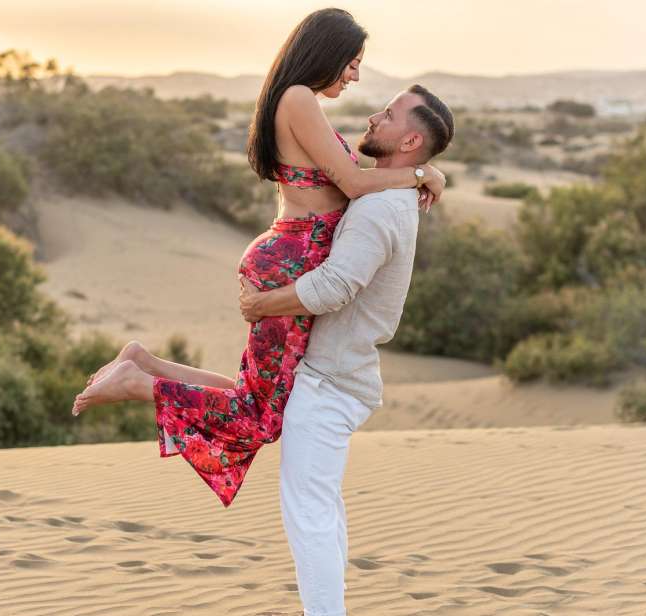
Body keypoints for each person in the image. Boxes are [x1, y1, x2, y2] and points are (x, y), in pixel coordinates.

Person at [69, 7, 446, 508]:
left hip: (291, 252)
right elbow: (354, 183)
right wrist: (421, 175)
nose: (355, 75)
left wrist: (424, 175)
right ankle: (139, 383)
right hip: (294, 259)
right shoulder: (297, 99)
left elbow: (340, 184)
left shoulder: (297, 102)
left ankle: (143, 363)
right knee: (259, 418)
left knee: (252, 398)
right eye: (352, 62)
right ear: (328, 53)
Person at [239, 84, 455, 616]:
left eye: (388, 114)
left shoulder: (379, 207)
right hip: (336, 378)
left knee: (309, 519)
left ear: (408, 139)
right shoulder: (390, 195)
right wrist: (426, 173)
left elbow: (335, 285)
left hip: (329, 383)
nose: (373, 115)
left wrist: (262, 305)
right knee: (322, 514)